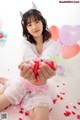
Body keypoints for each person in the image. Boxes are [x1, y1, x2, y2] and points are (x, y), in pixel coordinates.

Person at [0, 9, 57, 120]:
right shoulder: (25, 43)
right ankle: (7, 82)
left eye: (36, 21)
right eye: (29, 24)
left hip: (40, 87)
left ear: (42, 22)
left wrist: (45, 66)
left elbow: (47, 57)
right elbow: (29, 57)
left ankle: (7, 82)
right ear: (26, 28)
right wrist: (30, 66)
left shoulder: (52, 44)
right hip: (24, 82)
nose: (34, 27)